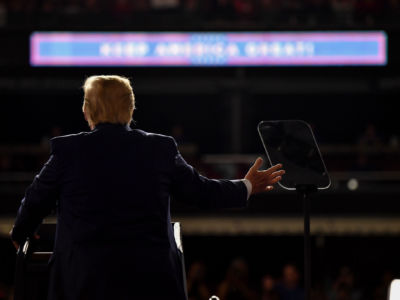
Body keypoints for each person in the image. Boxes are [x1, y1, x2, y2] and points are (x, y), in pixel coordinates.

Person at [10, 75, 285, 300]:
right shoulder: (160, 148)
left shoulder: (67, 151)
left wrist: (21, 233)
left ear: (87, 110)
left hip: (82, 284)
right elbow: (202, 192)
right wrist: (247, 185)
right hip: (151, 285)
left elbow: (35, 201)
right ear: (130, 109)